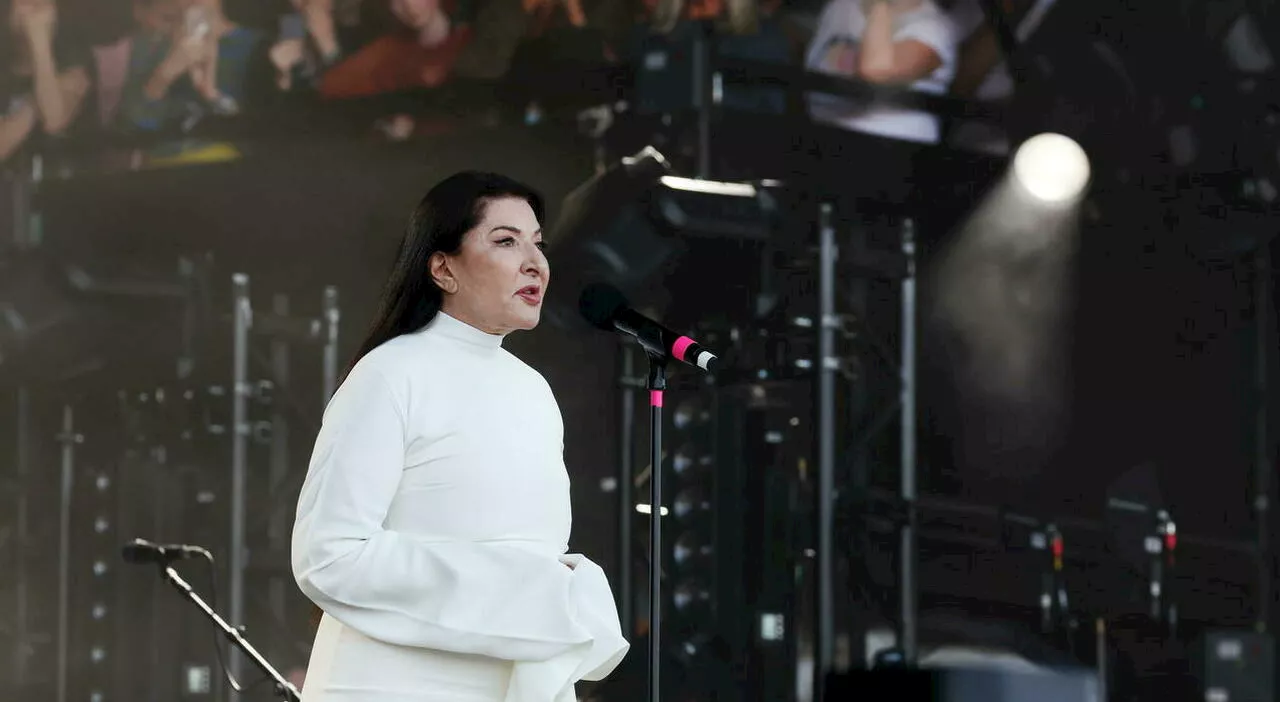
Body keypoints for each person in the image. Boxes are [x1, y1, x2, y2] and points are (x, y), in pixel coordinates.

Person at [291, 171, 629, 702]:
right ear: (442, 268)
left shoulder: (534, 391)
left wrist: (553, 584)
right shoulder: (390, 373)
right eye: (505, 241)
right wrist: (514, 584)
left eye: (538, 244)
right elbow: (329, 556)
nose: (535, 262)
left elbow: (533, 555)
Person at [804, 0, 958, 145]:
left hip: (889, 153)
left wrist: (879, 5)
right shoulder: (842, 6)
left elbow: (876, 70)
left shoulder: (934, 28)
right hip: (820, 142)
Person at [1, 0, 91, 162]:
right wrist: (34, 104)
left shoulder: (74, 56)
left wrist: (39, 39)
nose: (35, 9)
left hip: (62, 180)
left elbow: (54, 121)